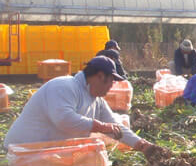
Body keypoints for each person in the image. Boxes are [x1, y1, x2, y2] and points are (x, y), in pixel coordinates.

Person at [4, 56, 155, 154]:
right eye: (111, 81)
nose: (111, 86)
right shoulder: (64, 86)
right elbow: (64, 120)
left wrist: (142, 145)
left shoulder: (96, 100)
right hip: (21, 151)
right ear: (100, 76)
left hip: (45, 153)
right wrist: (101, 126)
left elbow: (115, 127)